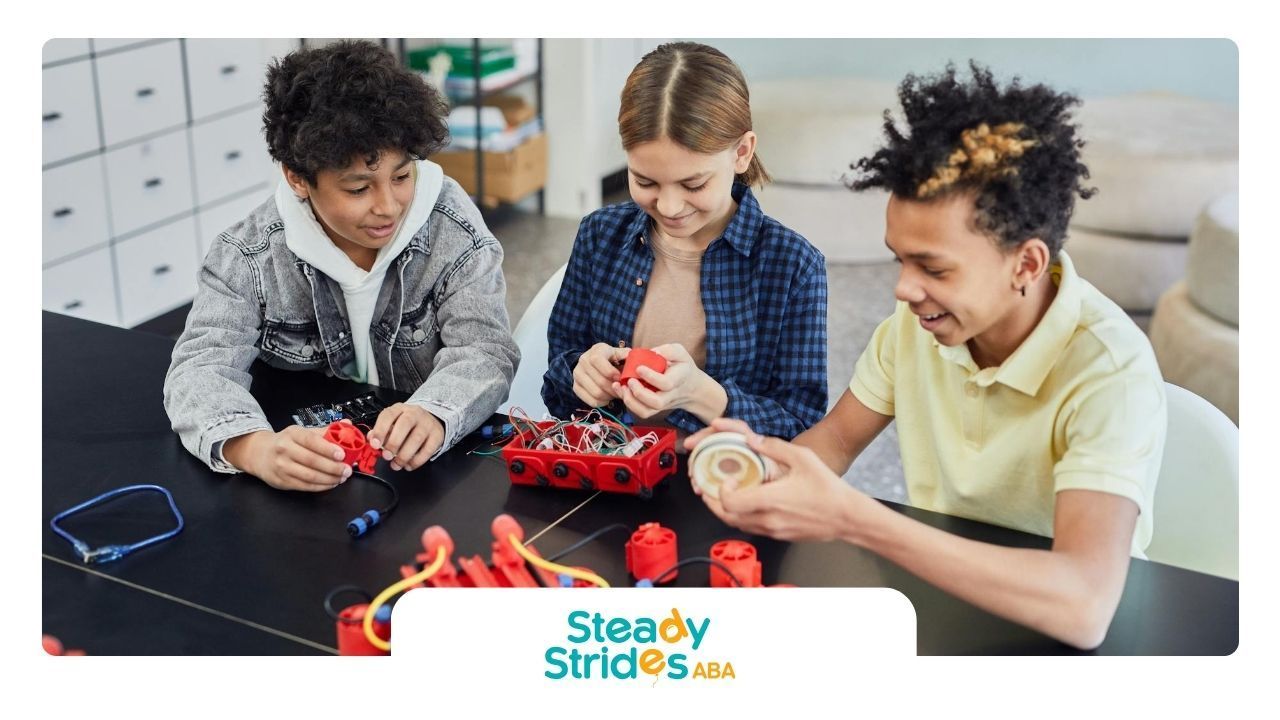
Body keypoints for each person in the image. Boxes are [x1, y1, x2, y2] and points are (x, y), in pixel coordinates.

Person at [688, 62, 1166, 650]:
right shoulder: (915, 330)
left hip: (1058, 641)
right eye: (900, 259)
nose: (903, 289)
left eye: (934, 268)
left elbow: (1084, 605)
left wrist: (854, 517)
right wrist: (760, 466)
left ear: (1027, 264)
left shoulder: (1109, 373)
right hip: (941, 608)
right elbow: (836, 442)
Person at [163, 40, 519, 491]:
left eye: (402, 176)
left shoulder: (452, 229)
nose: (388, 207)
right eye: (357, 189)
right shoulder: (249, 256)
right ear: (297, 178)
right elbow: (198, 370)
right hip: (308, 469)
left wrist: (433, 411)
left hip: (423, 477)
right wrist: (253, 448)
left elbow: (485, 350)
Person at [542, 42, 828, 441]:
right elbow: (557, 380)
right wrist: (580, 374)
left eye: (694, 183)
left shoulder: (793, 265)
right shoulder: (599, 234)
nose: (669, 205)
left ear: (742, 153)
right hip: (607, 467)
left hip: (722, 482)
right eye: (645, 181)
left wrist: (702, 396)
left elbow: (803, 426)